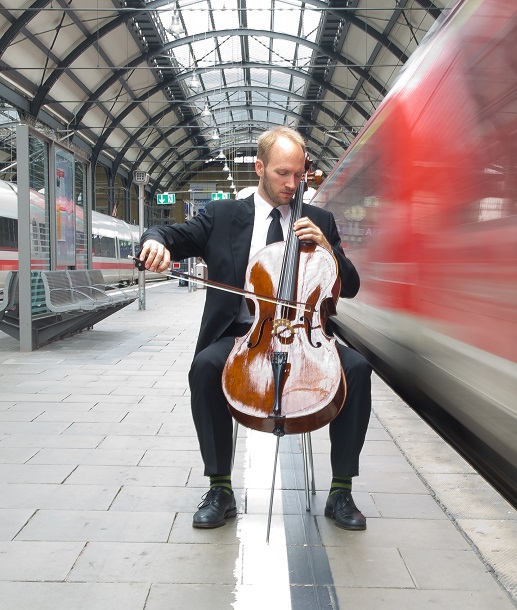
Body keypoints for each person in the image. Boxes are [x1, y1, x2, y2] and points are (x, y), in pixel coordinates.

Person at [138, 126, 372, 531]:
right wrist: (154, 241)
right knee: (205, 367)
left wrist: (327, 247)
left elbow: (349, 286)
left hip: (305, 334)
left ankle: (341, 490)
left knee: (357, 369)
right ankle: (220, 488)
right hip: (242, 334)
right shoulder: (222, 215)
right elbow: (171, 235)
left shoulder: (318, 220)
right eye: (283, 173)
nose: (292, 184)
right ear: (260, 168)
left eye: (298, 175)